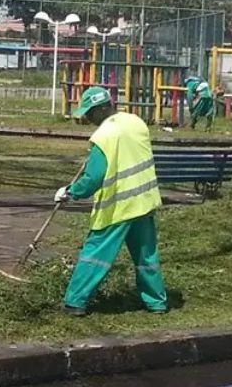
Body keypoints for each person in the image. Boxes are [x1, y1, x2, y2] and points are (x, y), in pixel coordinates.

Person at [54, 86, 168, 317]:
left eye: (90, 112)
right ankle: (157, 302)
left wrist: (70, 192)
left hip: (118, 205)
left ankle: (75, 302)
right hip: (144, 201)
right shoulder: (136, 122)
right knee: (146, 256)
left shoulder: (104, 136)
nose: (87, 118)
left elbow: (94, 177)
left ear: (103, 108)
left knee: (95, 254)